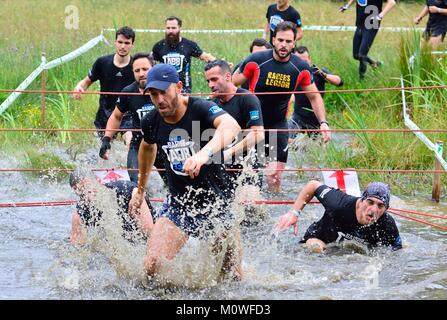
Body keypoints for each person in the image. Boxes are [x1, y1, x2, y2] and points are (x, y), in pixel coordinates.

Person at [129, 64, 243, 280]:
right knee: (151, 268)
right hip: (179, 204)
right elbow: (147, 147)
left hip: (217, 203)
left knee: (233, 277)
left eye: (164, 92)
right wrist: (141, 190)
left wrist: (203, 154)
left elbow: (231, 125)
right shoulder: (151, 120)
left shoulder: (200, 108)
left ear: (179, 87)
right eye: (154, 94)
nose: (160, 99)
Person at [233, 21, 331, 193]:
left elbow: (314, 96)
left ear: (294, 43)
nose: (284, 45)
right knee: (248, 178)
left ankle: (273, 214)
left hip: (277, 125)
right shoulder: (256, 60)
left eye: (288, 41)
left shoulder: (300, 67)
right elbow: (232, 85)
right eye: (280, 40)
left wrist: (323, 122)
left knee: (274, 178)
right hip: (252, 124)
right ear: (273, 40)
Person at [204, 60, 265, 224]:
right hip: (221, 171)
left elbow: (258, 134)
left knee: (250, 208)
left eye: (214, 79)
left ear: (228, 76)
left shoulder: (247, 99)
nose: (211, 84)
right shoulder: (210, 104)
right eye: (208, 81)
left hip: (246, 169)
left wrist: (228, 153)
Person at [275, 180, 403, 253]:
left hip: (354, 250)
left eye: (380, 206)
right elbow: (313, 185)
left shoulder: (387, 224)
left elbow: (397, 250)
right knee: (317, 251)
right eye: (370, 202)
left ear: (386, 209)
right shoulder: (339, 203)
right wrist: (294, 213)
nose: (374, 209)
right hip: (321, 239)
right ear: (362, 200)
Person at [99, 52, 167, 185]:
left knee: (173, 183)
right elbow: (116, 116)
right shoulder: (128, 92)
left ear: (153, 69)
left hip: (163, 143)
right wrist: (106, 139)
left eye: (145, 69)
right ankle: (143, 202)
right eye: (137, 70)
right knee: (135, 183)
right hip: (139, 144)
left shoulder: (165, 90)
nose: (141, 74)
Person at [73, 26, 136, 145]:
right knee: (103, 148)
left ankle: (129, 163)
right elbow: (87, 81)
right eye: (120, 42)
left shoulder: (136, 66)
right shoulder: (102, 62)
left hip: (127, 112)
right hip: (105, 111)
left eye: (127, 43)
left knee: (130, 140)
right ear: (115, 42)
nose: (123, 46)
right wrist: (79, 88)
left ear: (132, 45)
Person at [69, 168, 154, 244]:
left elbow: (150, 233)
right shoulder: (80, 212)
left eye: (91, 188)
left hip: (143, 235)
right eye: (83, 191)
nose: (90, 196)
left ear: (98, 182)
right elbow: (76, 247)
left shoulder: (127, 192)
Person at [288, 46, 343, 141]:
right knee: (289, 142)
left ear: (309, 59)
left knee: (318, 147)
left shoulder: (318, 72)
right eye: (299, 61)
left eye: (305, 61)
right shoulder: (292, 73)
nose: (302, 64)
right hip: (298, 117)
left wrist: (324, 75)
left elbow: (339, 82)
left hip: (317, 118)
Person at [151, 16, 216, 94]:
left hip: (185, 89)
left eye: (173, 28)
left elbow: (205, 57)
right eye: (168, 28)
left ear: (179, 28)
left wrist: (221, 63)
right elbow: (150, 64)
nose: (170, 31)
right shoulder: (158, 46)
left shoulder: (189, 45)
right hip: (164, 88)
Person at [339, 0, 396, 80]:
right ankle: (374, 63)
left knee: (362, 55)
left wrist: (380, 16)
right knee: (356, 55)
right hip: (360, 23)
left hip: (372, 24)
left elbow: (392, 2)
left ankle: (361, 81)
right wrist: (347, 6)